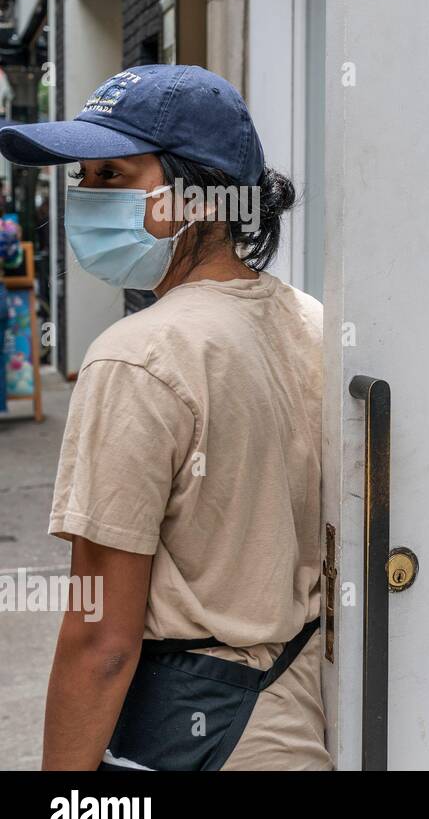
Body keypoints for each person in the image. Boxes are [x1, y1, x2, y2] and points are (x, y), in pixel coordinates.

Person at [0, 65, 331, 770]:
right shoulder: (312, 323)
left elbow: (101, 639)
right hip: (298, 720)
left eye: (113, 175)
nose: (86, 197)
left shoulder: (137, 357)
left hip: (201, 737)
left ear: (204, 198)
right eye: (84, 176)